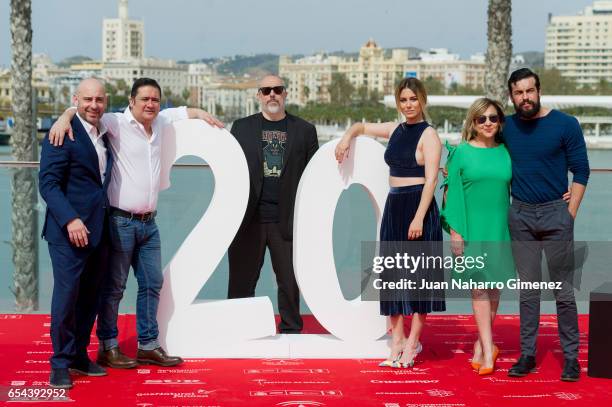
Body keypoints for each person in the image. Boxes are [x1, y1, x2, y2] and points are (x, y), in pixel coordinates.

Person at [49, 77, 223, 368]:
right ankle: (108, 346)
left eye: (155, 99)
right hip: (120, 222)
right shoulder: (116, 123)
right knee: (114, 288)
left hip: (149, 224)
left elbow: (185, 112)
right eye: (144, 99)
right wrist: (64, 115)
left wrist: (203, 114)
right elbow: (85, 112)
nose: (150, 104)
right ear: (131, 101)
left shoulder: (162, 121)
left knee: (152, 283)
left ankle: (148, 345)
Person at [335, 77, 445, 368]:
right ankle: (396, 339)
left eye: (413, 99)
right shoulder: (395, 129)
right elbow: (360, 127)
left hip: (418, 207)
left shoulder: (429, 135)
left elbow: (432, 180)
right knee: (394, 276)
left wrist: (419, 217)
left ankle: (413, 343)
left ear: (423, 100)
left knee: (421, 280)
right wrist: (347, 138)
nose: (409, 105)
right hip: (394, 205)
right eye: (403, 100)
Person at [503, 68, 589, 382]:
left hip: (557, 214)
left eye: (529, 91)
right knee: (528, 291)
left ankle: (571, 359)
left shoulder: (566, 125)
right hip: (520, 215)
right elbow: (480, 149)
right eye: (518, 93)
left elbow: (581, 171)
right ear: (511, 96)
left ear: (538, 90)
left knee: (563, 292)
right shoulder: (506, 127)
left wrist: (570, 212)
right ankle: (527, 355)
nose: (525, 98)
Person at [228, 74, 319, 334]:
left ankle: (291, 329)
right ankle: (238, 330)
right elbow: (231, 170)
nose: (272, 95)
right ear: (258, 95)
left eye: (277, 90)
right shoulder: (241, 128)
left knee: (289, 283)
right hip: (249, 220)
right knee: (241, 282)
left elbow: (314, 176)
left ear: (285, 94)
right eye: (266, 90)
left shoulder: (304, 131)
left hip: (287, 220)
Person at [40, 78, 113, 388]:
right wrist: (70, 220)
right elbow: (48, 184)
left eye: (98, 99)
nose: (93, 105)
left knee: (90, 298)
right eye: (86, 100)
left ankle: (79, 356)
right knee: (67, 298)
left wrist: (68, 111)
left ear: (105, 101)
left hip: (99, 230)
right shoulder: (61, 133)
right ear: (76, 100)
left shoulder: (105, 133)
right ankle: (59, 363)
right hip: (68, 232)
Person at [441, 98, 515, 375]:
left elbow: (528, 180)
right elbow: (450, 193)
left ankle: (480, 345)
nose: (487, 123)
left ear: (500, 122)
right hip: (471, 230)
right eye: (481, 119)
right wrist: (455, 232)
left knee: (494, 289)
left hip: (500, 228)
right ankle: (487, 351)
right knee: (479, 290)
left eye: (493, 118)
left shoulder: (507, 152)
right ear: (472, 122)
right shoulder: (460, 152)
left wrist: (561, 192)